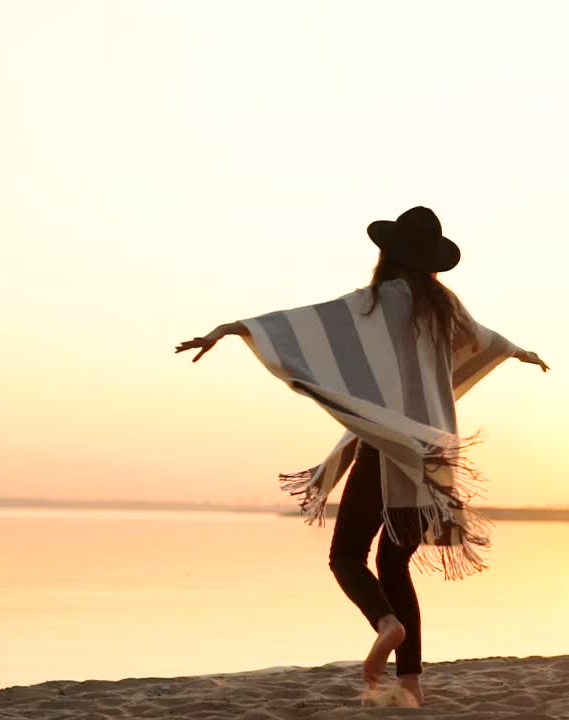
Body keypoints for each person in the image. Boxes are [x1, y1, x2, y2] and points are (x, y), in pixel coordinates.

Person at [175, 206, 548, 706]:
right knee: (396, 564)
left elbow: (304, 326)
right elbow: (488, 342)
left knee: (347, 556)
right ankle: (411, 684)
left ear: (388, 254)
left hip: (386, 446)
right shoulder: (446, 308)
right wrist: (522, 353)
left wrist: (232, 328)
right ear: (432, 261)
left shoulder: (376, 302)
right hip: (433, 453)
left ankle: (386, 623)